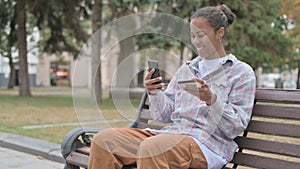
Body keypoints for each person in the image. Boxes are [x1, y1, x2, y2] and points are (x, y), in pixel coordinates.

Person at [88, 4, 256, 169]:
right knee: (104, 140)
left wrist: (211, 100)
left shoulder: (241, 73)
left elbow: (235, 126)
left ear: (219, 33)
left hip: (208, 145)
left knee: (153, 148)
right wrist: (154, 92)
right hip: (171, 136)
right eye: (193, 36)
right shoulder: (187, 69)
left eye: (201, 35)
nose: (196, 41)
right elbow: (163, 116)